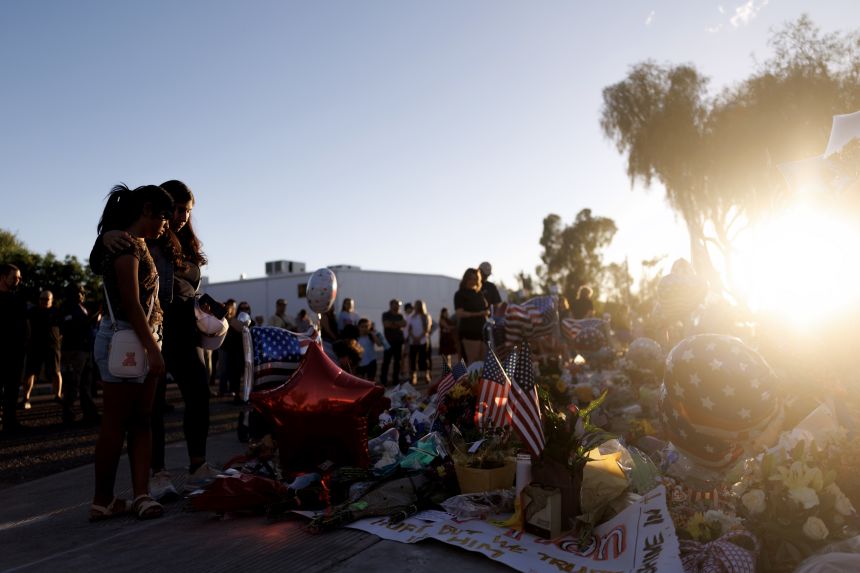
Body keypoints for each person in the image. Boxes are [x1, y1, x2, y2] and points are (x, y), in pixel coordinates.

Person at [90, 183, 171, 521]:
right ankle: (104, 498)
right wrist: (153, 350)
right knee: (117, 423)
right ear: (148, 210)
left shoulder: (133, 243)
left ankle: (140, 495)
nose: (166, 225)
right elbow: (131, 303)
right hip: (126, 338)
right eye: (164, 217)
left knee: (141, 421)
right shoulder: (125, 246)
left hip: (135, 337)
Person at [59, 283, 100, 426]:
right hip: (73, 350)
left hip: (84, 349)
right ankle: (68, 415)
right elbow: (69, 327)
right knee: (72, 383)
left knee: (86, 383)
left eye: (82, 292)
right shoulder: (66, 308)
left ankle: (89, 413)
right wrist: (89, 321)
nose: (82, 295)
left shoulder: (82, 308)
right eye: (79, 292)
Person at [21, 289, 63, 408]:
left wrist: (57, 341)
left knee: (56, 371)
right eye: (41, 299)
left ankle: (58, 396)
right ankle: (26, 398)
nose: (43, 301)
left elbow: (62, 330)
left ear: (52, 300)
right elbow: (27, 327)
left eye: (46, 299)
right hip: (35, 346)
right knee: (30, 373)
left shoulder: (56, 312)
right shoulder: (32, 311)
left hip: (52, 347)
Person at [0, 264, 28, 435]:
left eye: (19, 278)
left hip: (16, 353)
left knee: (12, 389)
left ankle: (11, 423)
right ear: (3, 277)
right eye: (15, 277)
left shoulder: (18, 299)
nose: (18, 281)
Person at [454, 268, 489, 363]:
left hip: (483, 332)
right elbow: (459, 313)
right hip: (469, 332)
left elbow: (485, 309)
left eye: (475, 279)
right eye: (470, 278)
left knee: (483, 363)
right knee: (473, 363)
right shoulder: (460, 294)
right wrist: (479, 314)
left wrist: (486, 313)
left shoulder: (479, 294)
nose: (473, 281)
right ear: (465, 279)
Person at [380, 299, 406, 386]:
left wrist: (393, 324)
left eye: (398, 305)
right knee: (386, 361)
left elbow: (404, 324)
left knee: (397, 362)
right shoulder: (385, 314)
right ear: (391, 305)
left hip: (399, 341)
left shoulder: (400, 315)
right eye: (395, 304)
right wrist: (397, 324)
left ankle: (395, 380)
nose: (397, 306)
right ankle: (383, 380)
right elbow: (386, 324)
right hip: (388, 342)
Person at [406, 300, 432, 384]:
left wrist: (420, 337)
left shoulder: (426, 316)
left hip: (423, 341)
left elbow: (427, 328)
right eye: (416, 305)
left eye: (419, 305)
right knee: (413, 359)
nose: (417, 307)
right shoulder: (411, 317)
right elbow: (408, 328)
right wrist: (413, 337)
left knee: (423, 359)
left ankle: (426, 375)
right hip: (413, 341)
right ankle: (413, 376)